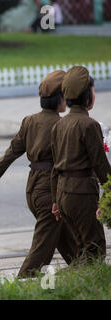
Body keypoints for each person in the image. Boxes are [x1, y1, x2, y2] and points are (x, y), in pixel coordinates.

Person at [0, 71, 78, 278]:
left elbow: (13, 150)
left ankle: (84, 268)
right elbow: (63, 165)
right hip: (50, 191)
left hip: (33, 189)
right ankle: (24, 281)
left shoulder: (30, 120)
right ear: (60, 99)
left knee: (64, 236)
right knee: (42, 246)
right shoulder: (62, 124)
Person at [51, 66, 111, 264]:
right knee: (95, 249)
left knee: (80, 249)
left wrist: (55, 200)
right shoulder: (89, 125)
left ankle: (77, 288)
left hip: (63, 193)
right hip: (82, 194)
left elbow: (55, 166)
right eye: (92, 90)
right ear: (87, 96)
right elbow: (101, 165)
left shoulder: (59, 125)